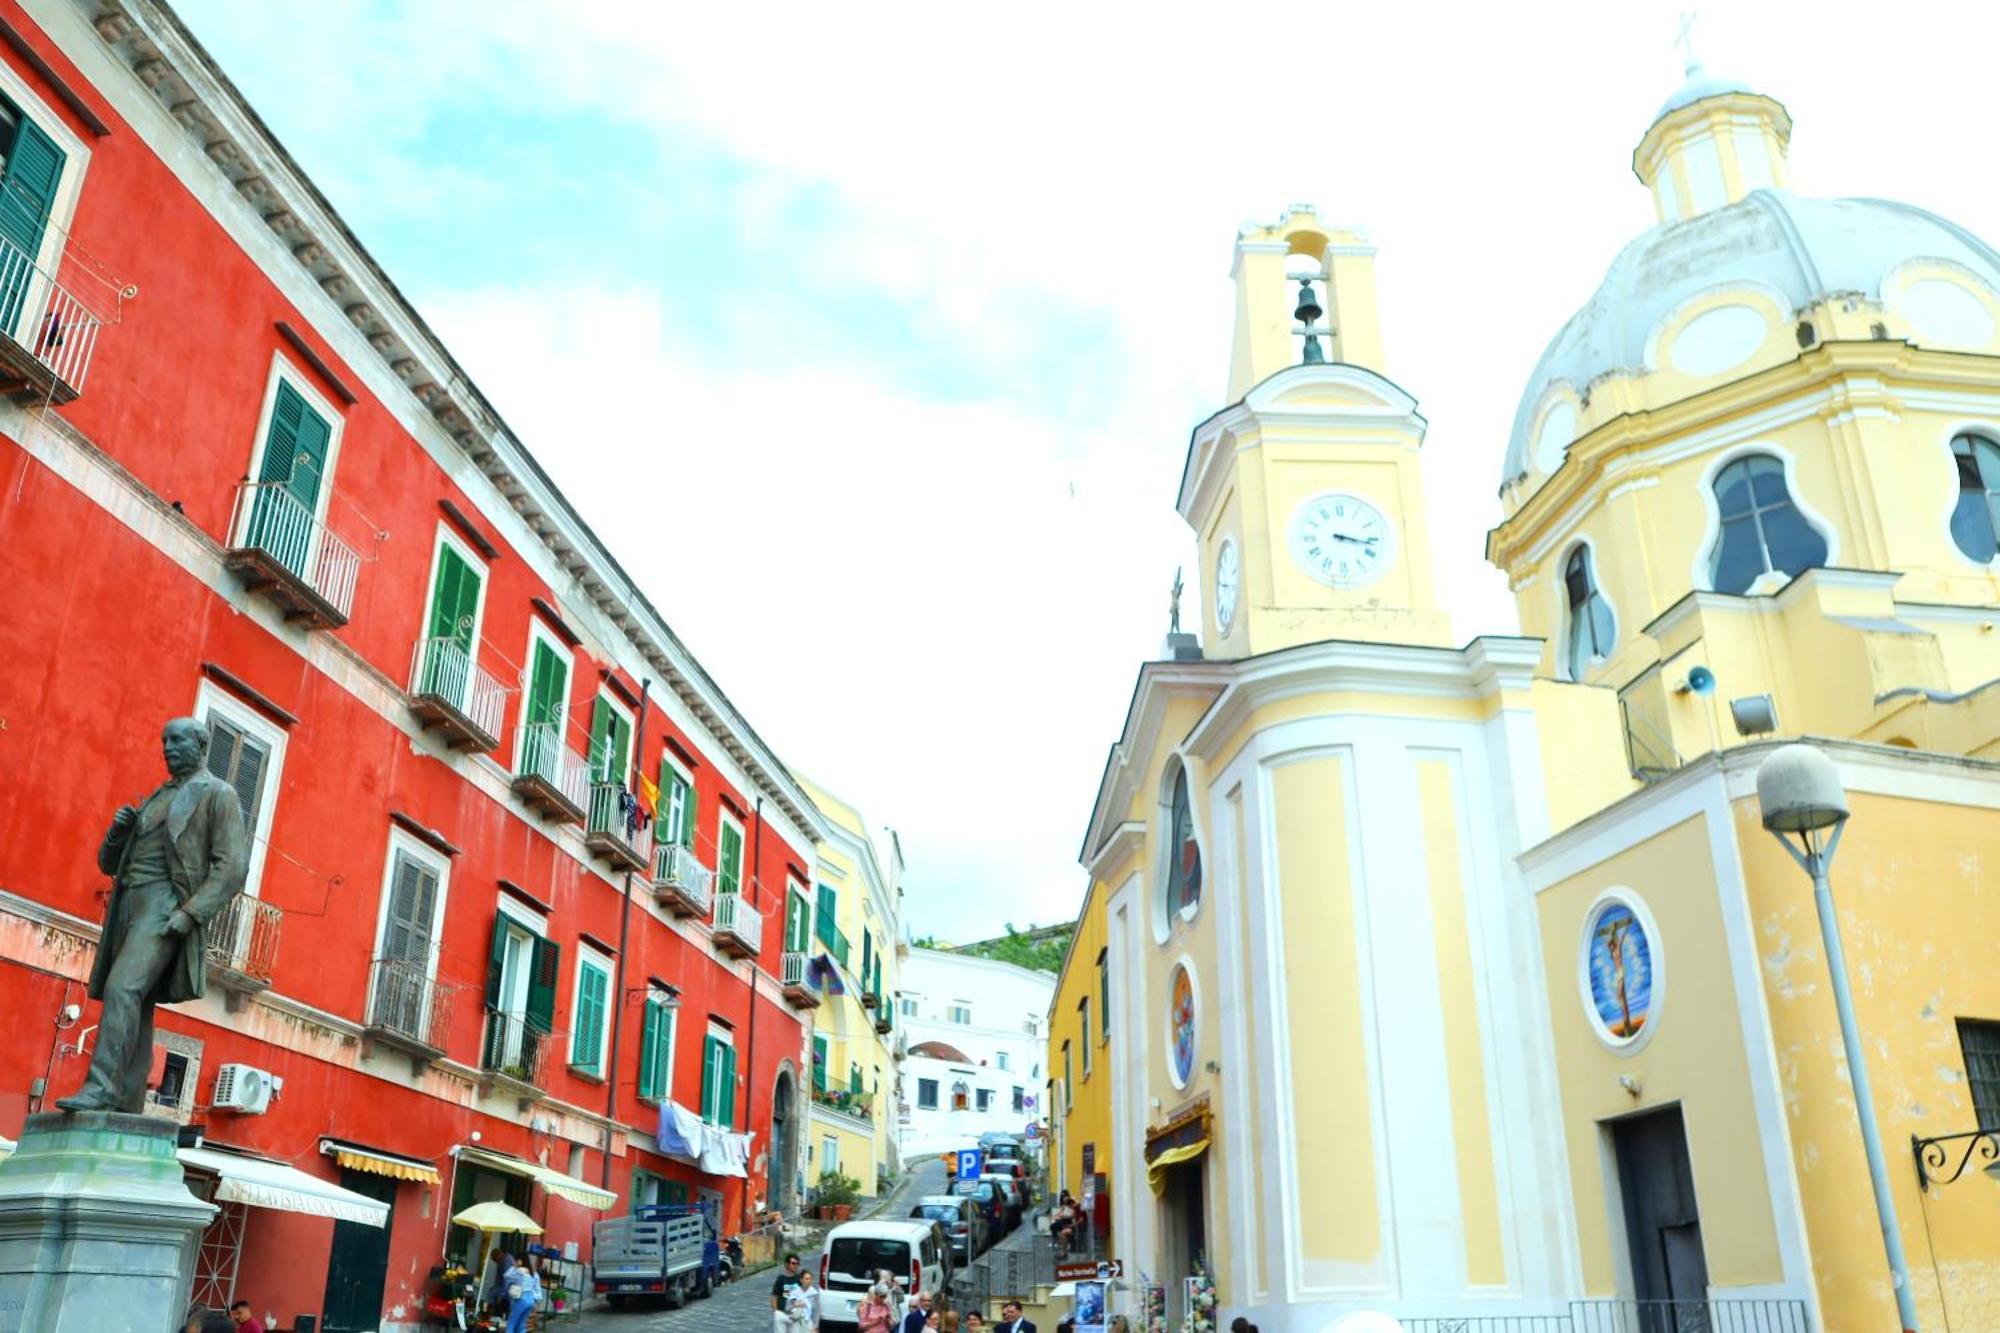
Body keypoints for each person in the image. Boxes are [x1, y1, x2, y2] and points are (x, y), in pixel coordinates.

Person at [57, 718, 249, 1112]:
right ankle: (127, 1101)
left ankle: (101, 1089)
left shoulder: (218, 793)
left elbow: (232, 867)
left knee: (122, 989)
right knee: (137, 1003)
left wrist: (191, 912)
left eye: (178, 740)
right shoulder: (155, 797)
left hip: (164, 908)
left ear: (201, 744)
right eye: (164, 740)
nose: (168, 747)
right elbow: (109, 864)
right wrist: (117, 832)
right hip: (129, 905)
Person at [503, 1256, 541, 1333]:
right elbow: (538, 1289)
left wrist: (514, 1267)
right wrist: (536, 1302)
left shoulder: (520, 1271)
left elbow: (506, 1276)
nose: (515, 1262)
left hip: (522, 1300)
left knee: (511, 1324)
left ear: (521, 1261)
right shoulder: (534, 1273)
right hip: (531, 1300)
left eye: (516, 1260)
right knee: (521, 1325)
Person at [771, 1253, 805, 1332]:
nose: (796, 1265)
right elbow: (774, 1296)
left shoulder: (799, 1279)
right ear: (787, 1264)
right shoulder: (781, 1279)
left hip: (795, 1315)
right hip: (781, 1313)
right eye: (793, 1263)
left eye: (797, 1263)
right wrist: (776, 1312)